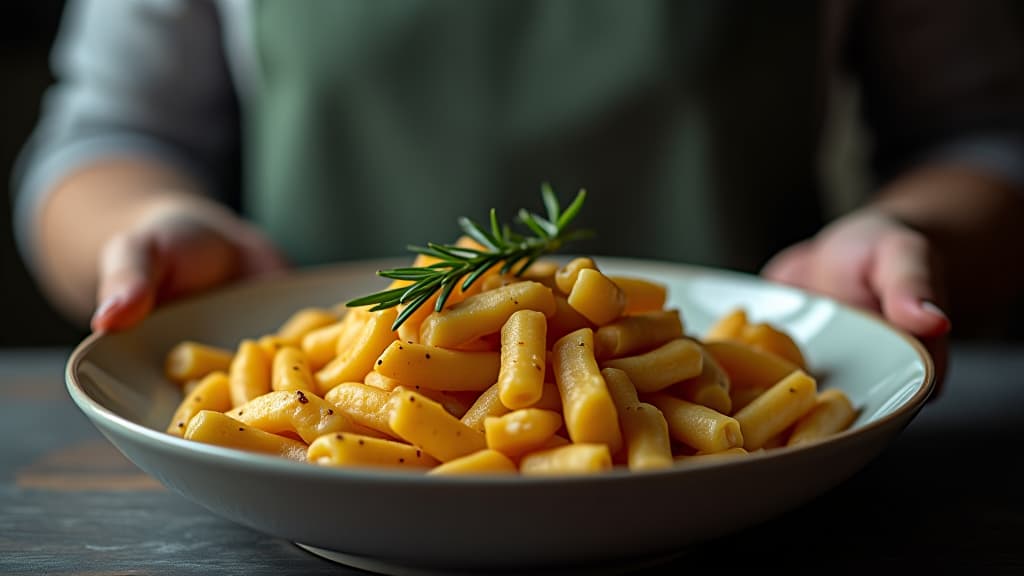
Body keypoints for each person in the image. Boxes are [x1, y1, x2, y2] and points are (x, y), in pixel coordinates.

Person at [11, 1, 1024, 376]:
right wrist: (142, 226)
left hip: (737, 458)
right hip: (310, 439)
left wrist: (905, 230)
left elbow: (979, 134)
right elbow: (110, 133)